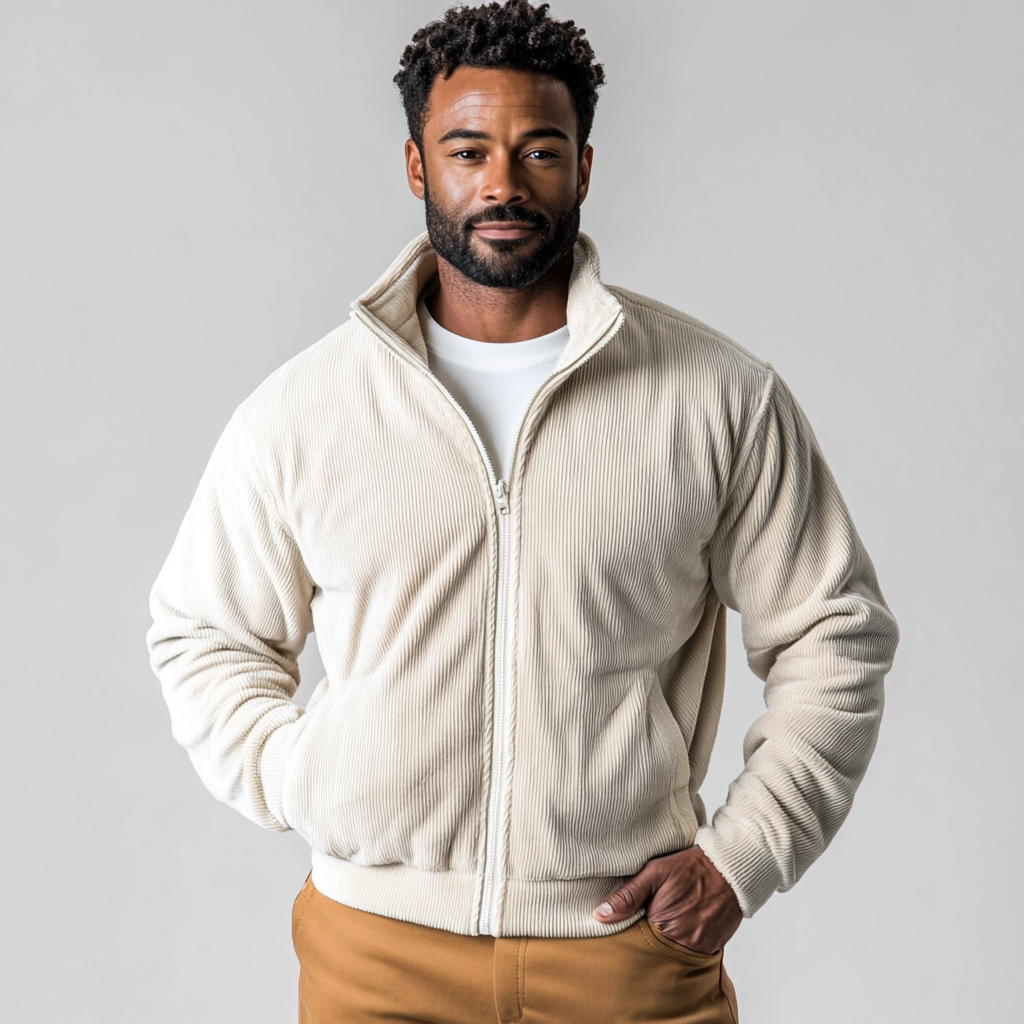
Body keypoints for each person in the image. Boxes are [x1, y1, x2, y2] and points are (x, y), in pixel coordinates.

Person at [147, 2, 899, 1021]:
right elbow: (203, 633)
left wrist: (745, 854)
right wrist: (302, 778)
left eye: (538, 150)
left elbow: (833, 634)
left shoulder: (716, 397)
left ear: (584, 167)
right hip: (374, 956)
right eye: (467, 150)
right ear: (418, 167)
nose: (501, 182)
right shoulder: (303, 413)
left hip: (625, 952)